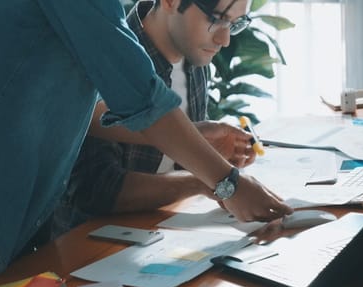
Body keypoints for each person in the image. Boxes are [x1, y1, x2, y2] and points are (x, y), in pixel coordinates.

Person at [0, 0, 292, 287]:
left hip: (2, 195)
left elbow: (88, 110)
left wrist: (198, 139)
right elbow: (140, 95)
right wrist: (225, 182)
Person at [49, 0, 258, 236]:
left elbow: (178, 163)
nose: (225, 39)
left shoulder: (195, 55)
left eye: (235, 23)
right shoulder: (109, 60)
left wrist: (209, 155)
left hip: (166, 234)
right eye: (216, 18)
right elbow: (95, 190)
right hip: (92, 249)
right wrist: (211, 180)